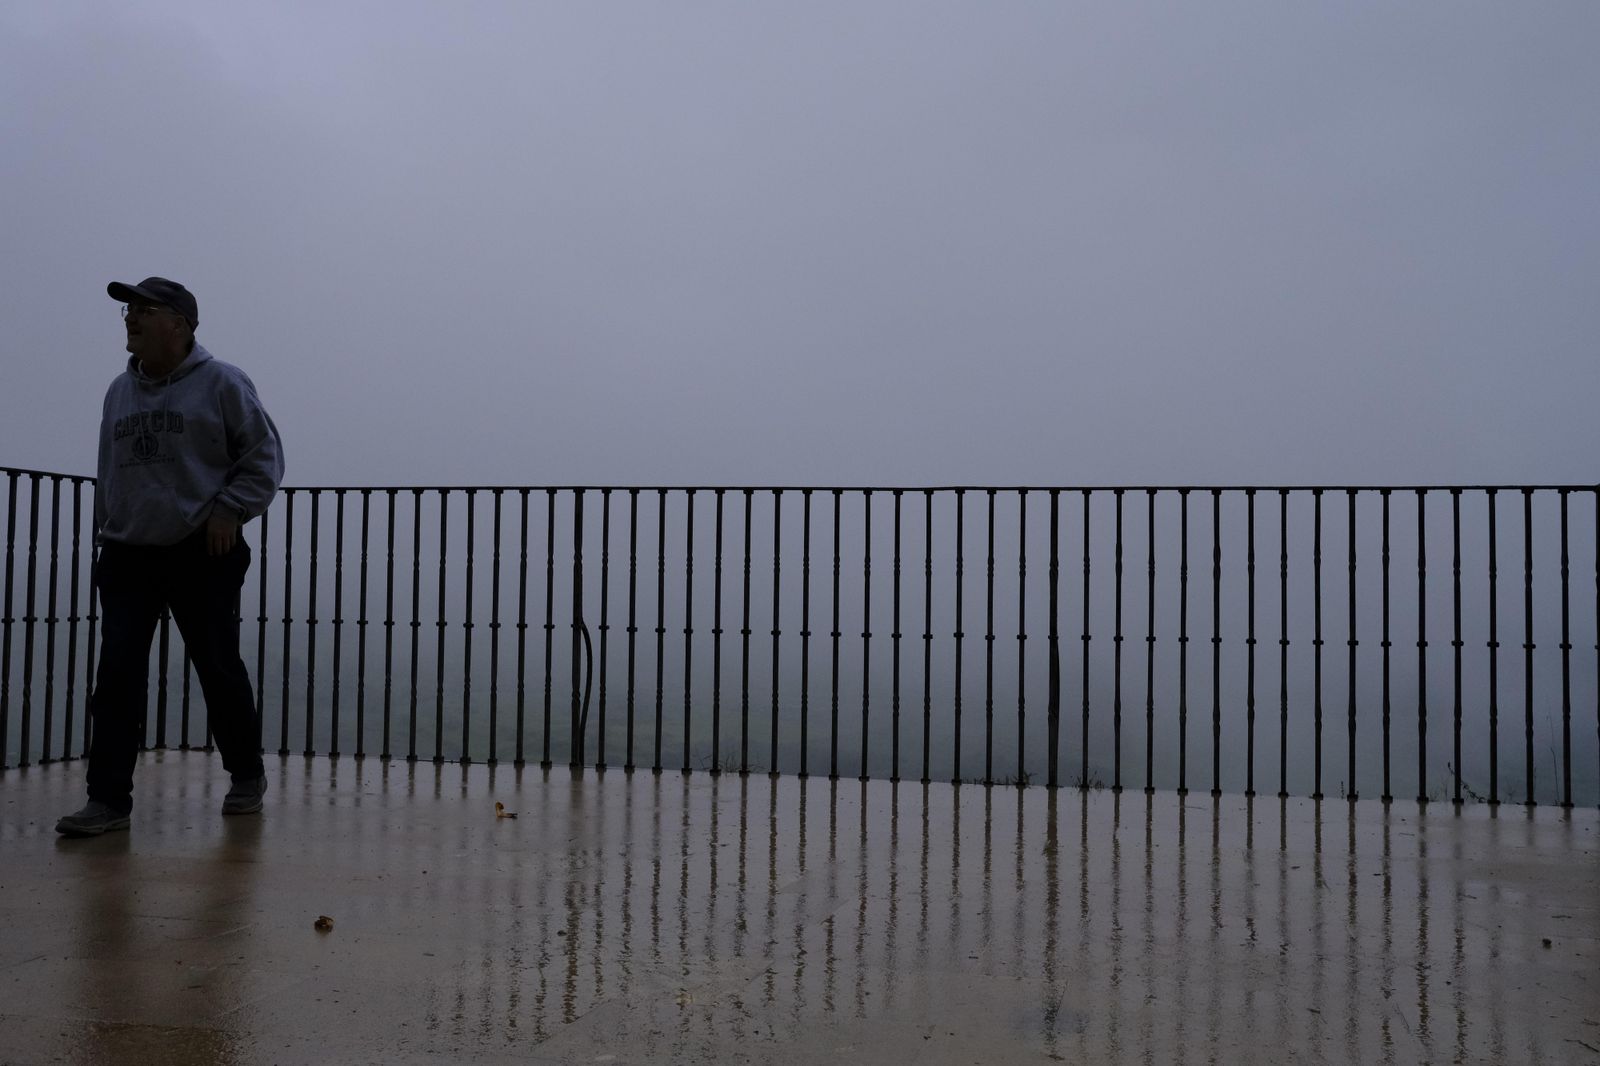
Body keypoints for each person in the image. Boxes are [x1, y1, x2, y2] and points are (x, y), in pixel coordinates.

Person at [56, 277, 285, 836]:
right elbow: (109, 470)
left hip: (202, 549)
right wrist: (108, 531)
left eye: (144, 309)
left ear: (179, 324)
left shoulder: (222, 382)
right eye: (128, 311)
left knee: (217, 666)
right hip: (128, 552)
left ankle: (246, 775)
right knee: (116, 676)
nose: (131, 319)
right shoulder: (119, 390)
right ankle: (107, 800)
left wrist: (231, 509)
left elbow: (264, 456)